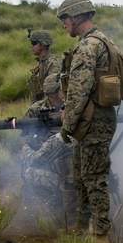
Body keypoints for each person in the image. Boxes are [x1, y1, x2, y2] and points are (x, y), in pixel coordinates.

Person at [56, 0, 117, 240]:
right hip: (94, 119)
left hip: (92, 122)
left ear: (77, 17)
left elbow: (79, 91)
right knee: (81, 175)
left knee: (94, 178)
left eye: (65, 19)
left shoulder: (86, 47)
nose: (64, 24)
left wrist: (66, 127)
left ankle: (100, 235)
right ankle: (82, 225)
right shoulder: (103, 41)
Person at [19, 73, 76, 224]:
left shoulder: (74, 107)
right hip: (48, 156)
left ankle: (66, 212)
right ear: (54, 93)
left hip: (64, 155)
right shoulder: (36, 110)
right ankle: (52, 206)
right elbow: (24, 138)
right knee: (31, 170)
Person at [27, 30, 61, 103]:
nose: (32, 46)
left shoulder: (52, 63)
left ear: (42, 45)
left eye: (34, 43)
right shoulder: (40, 63)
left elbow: (54, 89)